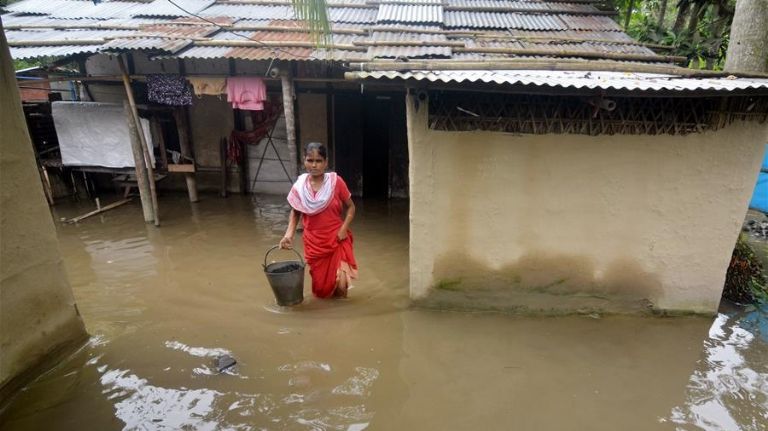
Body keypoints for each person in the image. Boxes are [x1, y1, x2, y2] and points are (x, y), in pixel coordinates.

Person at [280, 142, 358, 298]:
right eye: (310, 160)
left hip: (336, 239)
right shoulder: (300, 186)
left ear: (326, 162)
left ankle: (341, 318)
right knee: (321, 291)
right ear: (304, 160)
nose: (314, 165)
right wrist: (289, 234)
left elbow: (351, 207)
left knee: (341, 286)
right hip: (314, 244)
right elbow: (296, 212)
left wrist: (343, 229)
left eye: (319, 161)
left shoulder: (336, 182)